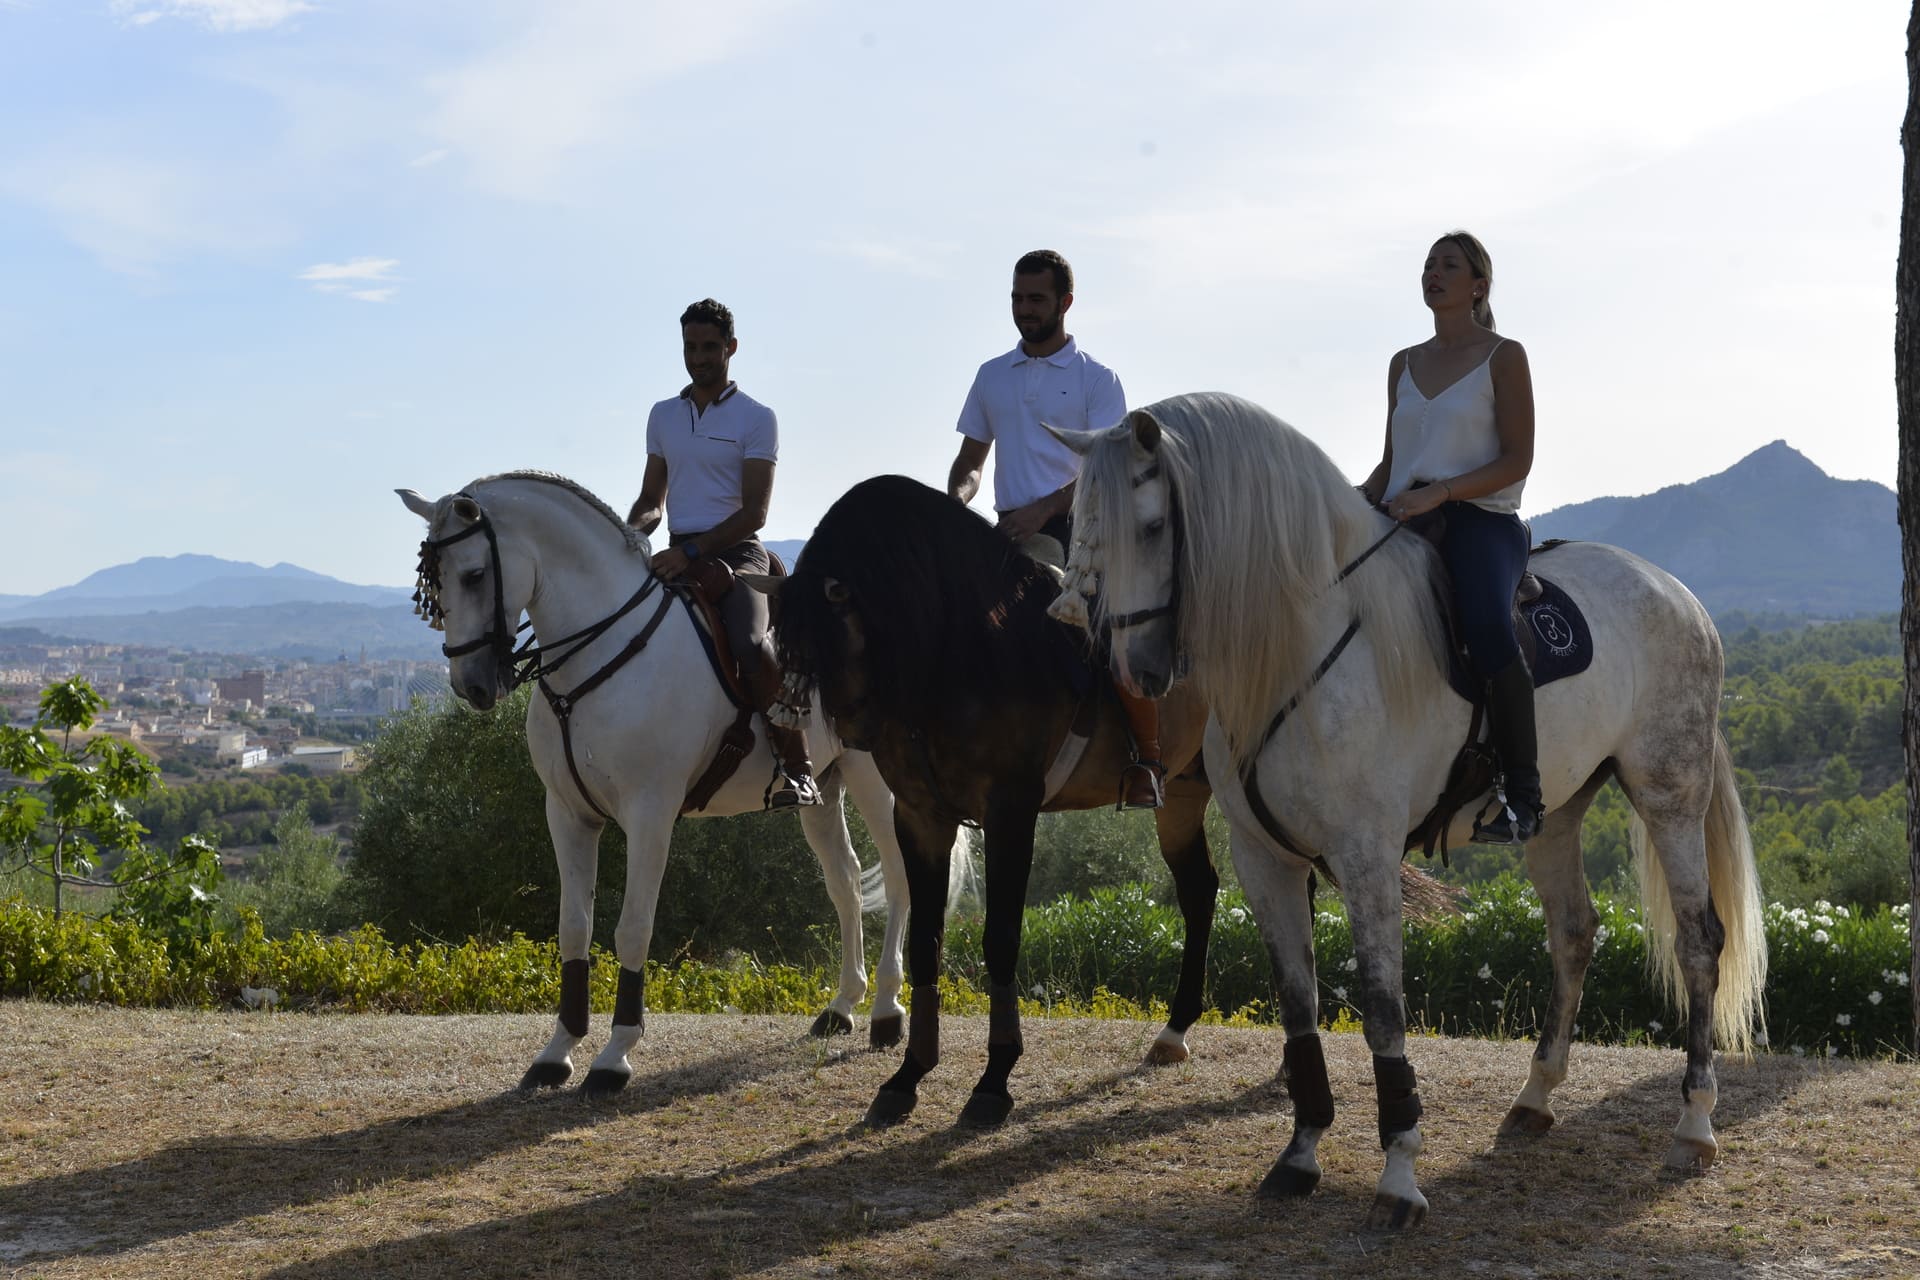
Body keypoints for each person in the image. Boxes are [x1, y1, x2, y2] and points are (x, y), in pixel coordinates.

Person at [948, 249, 1164, 810]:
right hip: (1005, 535)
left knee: (1113, 629)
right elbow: (972, 458)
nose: (1024, 309)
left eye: (1036, 299)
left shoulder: (1097, 379)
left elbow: (1108, 466)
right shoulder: (991, 376)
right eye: (1017, 299)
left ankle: (1147, 758)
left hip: (1083, 531)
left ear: (1065, 302)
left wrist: (1042, 512)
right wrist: (956, 500)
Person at [1358, 230, 1542, 843]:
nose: (1434, 273)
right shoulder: (1401, 364)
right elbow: (1392, 460)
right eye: (1429, 265)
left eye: (1449, 266)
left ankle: (1523, 794)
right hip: (1403, 515)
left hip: (1481, 520)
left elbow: (1517, 460)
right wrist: (1349, 502)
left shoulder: (1504, 355)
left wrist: (1440, 492)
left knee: (1488, 626)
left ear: (1478, 286)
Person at [628, 298, 818, 809]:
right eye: (690, 347)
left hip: (739, 555)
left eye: (710, 347)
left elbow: (755, 512)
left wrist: (692, 551)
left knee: (751, 643)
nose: (699, 357)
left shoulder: (757, 418)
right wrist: (629, 534)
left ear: (731, 348)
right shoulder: (663, 415)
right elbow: (652, 502)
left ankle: (797, 767)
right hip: (677, 553)